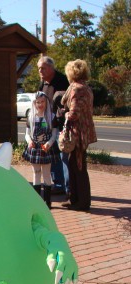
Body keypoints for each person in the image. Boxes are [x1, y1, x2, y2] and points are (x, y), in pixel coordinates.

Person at [61, 59, 97, 211]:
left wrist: (65, 114)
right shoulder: (86, 88)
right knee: (75, 165)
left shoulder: (76, 88)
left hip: (77, 133)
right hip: (84, 130)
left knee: (78, 167)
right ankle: (75, 199)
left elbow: (74, 113)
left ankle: (82, 202)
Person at [37, 55, 70, 195]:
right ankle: (57, 184)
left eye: (43, 68)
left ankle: (66, 188)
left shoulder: (63, 81)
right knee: (51, 155)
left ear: (51, 68)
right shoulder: (42, 83)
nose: (40, 71)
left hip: (61, 125)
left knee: (63, 156)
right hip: (46, 125)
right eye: (39, 68)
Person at [22, 91, 60, 209]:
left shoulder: (51, 117)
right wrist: (29, 142)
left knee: (46, 174)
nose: (40, 104)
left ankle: (48, 202)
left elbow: (55, 134)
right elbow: (27, 134)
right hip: (35, 148)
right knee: (36, 173)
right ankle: (38, 202)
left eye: (42, 102)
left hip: (46, 148)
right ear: (34, 103)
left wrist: (49, 143)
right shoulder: (31, 117)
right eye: (38, 102)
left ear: (46, 102)